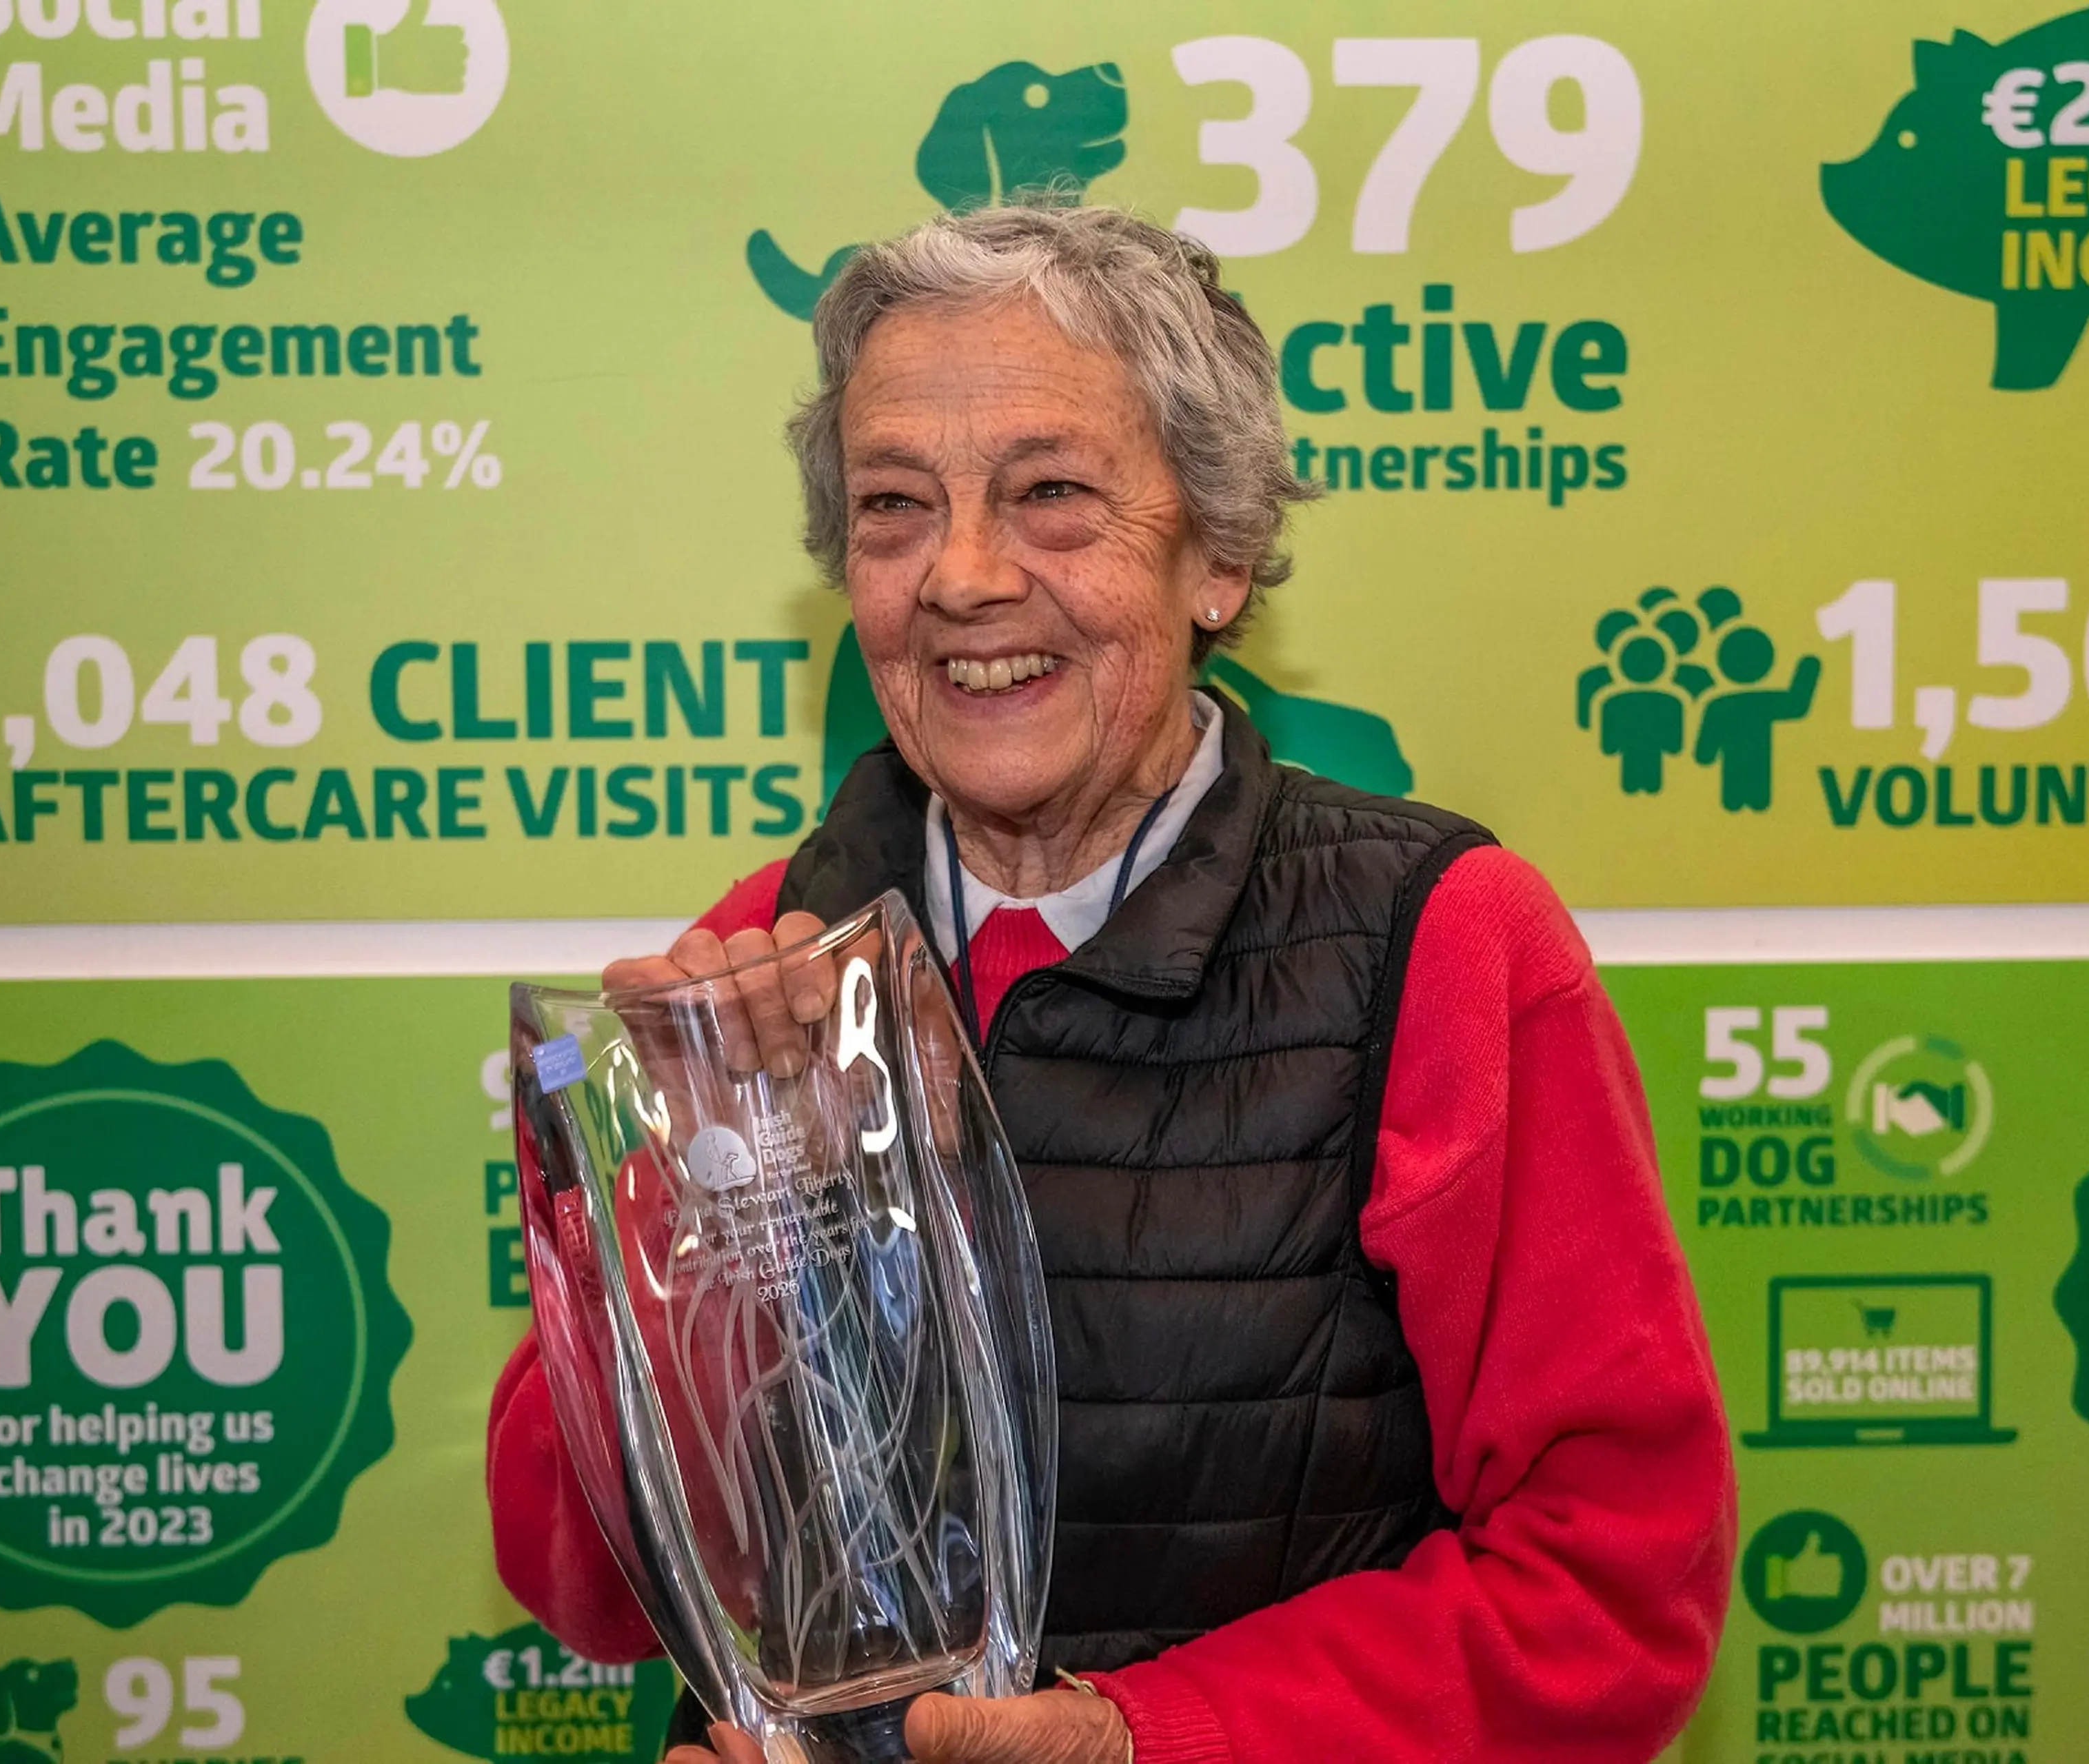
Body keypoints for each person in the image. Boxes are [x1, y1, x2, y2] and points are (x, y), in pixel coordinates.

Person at [487, 202, 1735, 1764]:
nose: (960, 576)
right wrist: (711, 1225)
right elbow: (579, 1583)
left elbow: (1613, 1592)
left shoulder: (1443, 943)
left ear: (1219, 554)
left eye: (1052, 494)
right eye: (894, 506)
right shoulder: (760, 960)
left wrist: (1144, 1739)